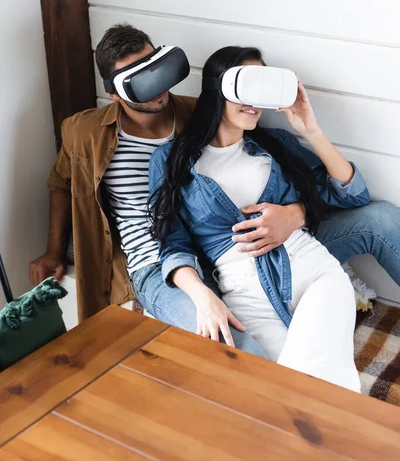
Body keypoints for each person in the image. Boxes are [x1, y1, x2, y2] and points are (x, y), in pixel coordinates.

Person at [29, 24, 400, 359]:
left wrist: (296, 214)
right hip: (163, 263)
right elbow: (61, 181)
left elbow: (343, 192)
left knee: (380, 219)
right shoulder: (85, 133)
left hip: (271, 246)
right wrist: (52, 249)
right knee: (233, 344)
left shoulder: (209, 116)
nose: (157, 86)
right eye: (139, 80)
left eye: (155, 69)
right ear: (114, 93)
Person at [149, 46, 400, 391]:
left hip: (313, 271)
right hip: (245, 293)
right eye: (245, 86)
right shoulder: (171, 160)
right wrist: (204, 297)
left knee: (328, 386)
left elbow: (350, 193)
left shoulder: (275, 145)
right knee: (288, 392)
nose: (254, 102)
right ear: (217, 87)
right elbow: (172, 244)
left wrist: (310, 130)